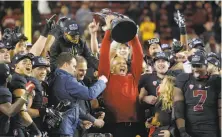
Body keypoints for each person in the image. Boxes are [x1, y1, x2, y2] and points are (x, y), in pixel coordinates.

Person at [98, 15, 143, 137]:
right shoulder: (106, 78)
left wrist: (133, 35)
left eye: (124, 63)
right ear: (111, 67)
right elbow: (103, 56)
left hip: (135, 126)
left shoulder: (133, 78)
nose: (123, 65)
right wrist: (108, 30)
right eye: (118, 63)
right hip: (114, 127)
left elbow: (138, 56)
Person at [47, 52, 107, 137]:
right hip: (65, 130)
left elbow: (69, 107)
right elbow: (90, 94)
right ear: (65, 65)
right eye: (74, 66)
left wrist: (80, 122)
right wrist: (101, 82)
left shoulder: (56, 77)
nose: (74, 70)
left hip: (62, 127)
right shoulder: (67, 79)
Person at [174, 52, 221, 137]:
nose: (195, 69)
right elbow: (178, 108)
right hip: (190, 130)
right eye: (194, 66)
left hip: (210, 130)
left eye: (199, 66)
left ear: (206, 67)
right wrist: (182, 131)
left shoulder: (216, 81)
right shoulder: (184, 79)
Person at [9, 53, 42, 137]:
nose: (29, 64)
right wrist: (35, 130)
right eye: (24, 62)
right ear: (16, 66)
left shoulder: (19, 78)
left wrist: (29, 96)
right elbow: (21, 110)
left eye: (30, 63)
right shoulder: (18, 79)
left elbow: (25, 107)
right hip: (16, 127)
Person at [74, 56, 105, 137]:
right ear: (73, 68)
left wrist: (95, 115)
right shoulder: (71, 84)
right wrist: (94, 120)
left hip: (81, 129)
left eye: (85, 70)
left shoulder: (81, 83)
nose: (84, 73)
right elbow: (74, 109)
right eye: (81, 70)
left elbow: (83, 109)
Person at [0, 63, 32, 135]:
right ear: (8, 77)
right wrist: (26, 93)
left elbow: (24, 108)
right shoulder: (3, 91)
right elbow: (10, 111)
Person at [26, 56, 50, 136]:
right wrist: (45, 112)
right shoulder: (29, 86)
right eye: (39, 68)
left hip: (41, 128)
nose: (43, 71)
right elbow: (24, 111)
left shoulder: (44, 85)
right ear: (31, 69)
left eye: (44, 68)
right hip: (29, 129)